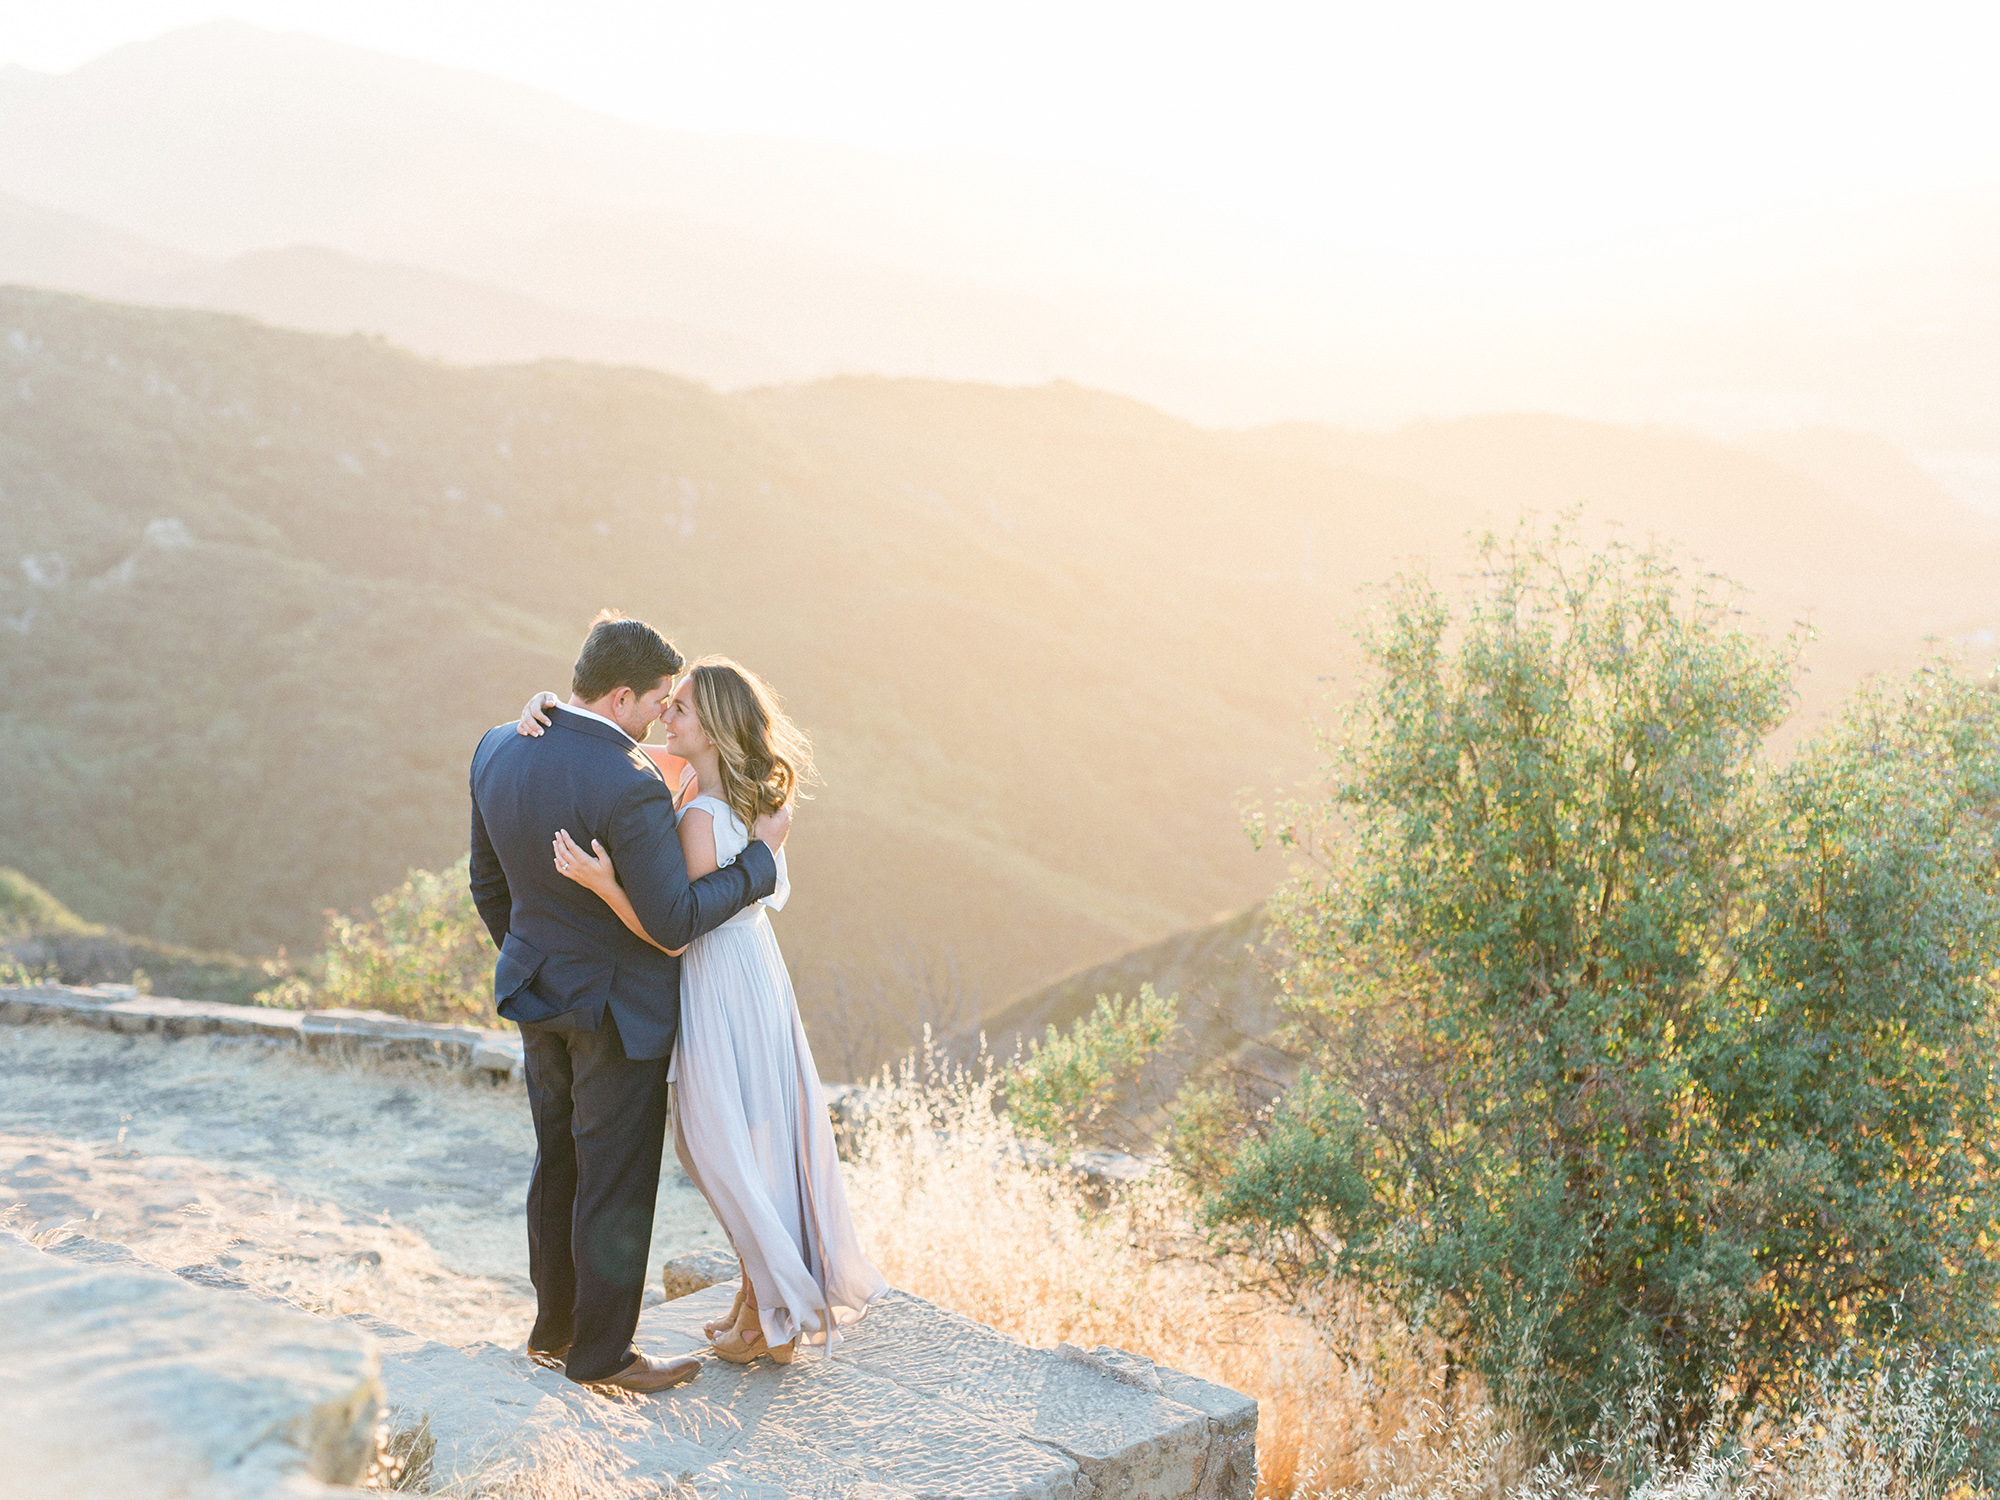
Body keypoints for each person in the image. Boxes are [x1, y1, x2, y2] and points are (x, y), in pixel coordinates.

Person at [516, 656, 885, 1364]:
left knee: (719, 1147)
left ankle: (769, 1310)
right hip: (756, 975)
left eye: (679, 708)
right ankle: (758, 1305)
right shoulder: (739, 797)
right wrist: (547, 707)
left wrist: (601, 883)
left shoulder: (700, 817)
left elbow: (669, 930)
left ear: (711, 730)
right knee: (752, 1140)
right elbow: (606, 738)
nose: (665, 716)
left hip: (717, 982)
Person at [469, 613, 791, 1394]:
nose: (661, 716)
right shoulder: (630, 785)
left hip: (536, 991)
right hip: (617, 1012)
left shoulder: (498, 745)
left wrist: (537, 954)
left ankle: (555, 1335)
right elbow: (675, 919)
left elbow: (488, 886)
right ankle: (603, 1357)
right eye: (655, 701)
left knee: (558, 1166)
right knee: (613, 1180)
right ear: (620, 694)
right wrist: (760, 863)